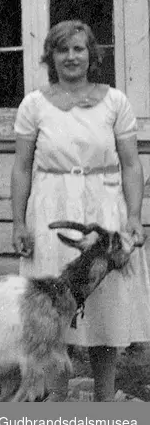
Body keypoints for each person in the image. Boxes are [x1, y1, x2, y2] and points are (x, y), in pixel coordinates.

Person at [11, 20, 150, 401]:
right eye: (62, 50)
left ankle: (103, 400)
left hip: (103, 209)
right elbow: (22, 167)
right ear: (51, 58)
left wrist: (134, 216)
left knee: (105, 308)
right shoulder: (35, 105)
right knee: (53, 309)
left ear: (91, 55)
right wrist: (18, 222)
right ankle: (58, 400)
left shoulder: (115, 102)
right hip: (52, 212)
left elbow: (132, 165)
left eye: (79, 49)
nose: (71, 57)